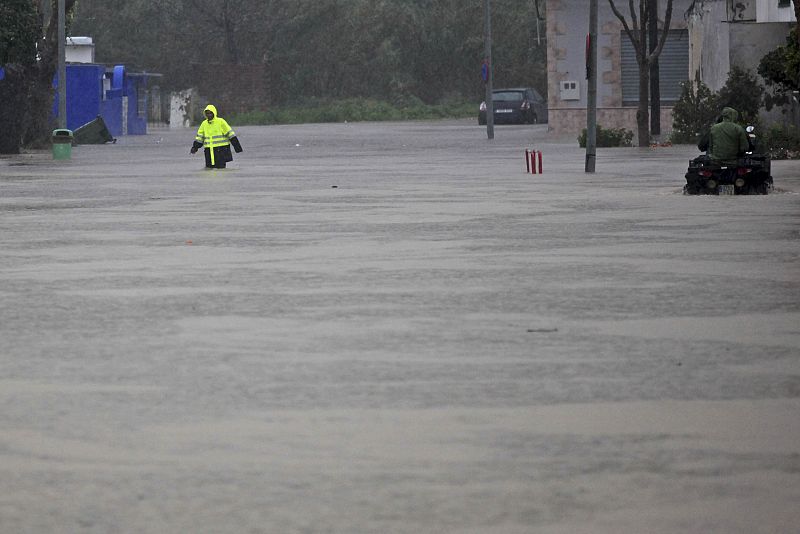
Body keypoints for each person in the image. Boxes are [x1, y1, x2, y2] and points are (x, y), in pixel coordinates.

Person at [190, 104, 242, 169]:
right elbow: (200, 138)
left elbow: (230, 134)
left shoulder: (221, 122)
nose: (209, 115)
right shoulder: (204, 124)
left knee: (221, 171)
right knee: (209, 171)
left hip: (221, 151)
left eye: (210, 113)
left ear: (214, 113)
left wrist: (237, 147)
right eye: (207, 113)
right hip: (209, 151)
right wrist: (195, 147)